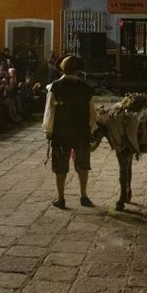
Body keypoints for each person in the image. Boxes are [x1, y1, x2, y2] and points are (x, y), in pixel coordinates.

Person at [42, 55, 98, 209]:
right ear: (78, 71)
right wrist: (92, 128)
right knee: (83, 165)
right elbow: (92, 113)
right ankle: (84, 196)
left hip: (61, 132)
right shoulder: (85, 88)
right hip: (81, 132)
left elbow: (50, 111)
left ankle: (61, 198)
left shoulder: (55, 87)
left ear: (61, 70)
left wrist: (48, 130)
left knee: (60, 166)